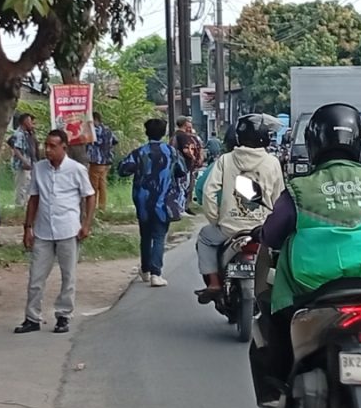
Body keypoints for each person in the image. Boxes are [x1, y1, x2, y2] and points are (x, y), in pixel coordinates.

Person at [251, 99, 361, 407]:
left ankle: (279, 390)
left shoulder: (299, 189)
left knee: (273, 320)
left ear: (314, 144)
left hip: (313, 284)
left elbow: (271, 236)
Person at [193, 113, 285, 304]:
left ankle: (214, 283)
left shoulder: (225, 160)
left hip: (229, 228)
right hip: (261, 229)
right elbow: (279, 197)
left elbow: (209, 191)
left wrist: (215, 219)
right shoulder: (273, 162)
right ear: (265, 137)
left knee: (205, 237)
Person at [17, 127, 94, 334]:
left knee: (68, 276)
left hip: (68, 229)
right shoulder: (39, 168)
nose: (48, 150)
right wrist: (27, 227)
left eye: (52, 146)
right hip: (43, 230)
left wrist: (86, 224)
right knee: (36, 277)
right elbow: (34, 198)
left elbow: (89, 196)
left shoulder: (76, 169)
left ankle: (63, 315)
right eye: (46, 146)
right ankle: (32, 317)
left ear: (64, 147)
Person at [116, 116, 186, 284]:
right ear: (163, 133)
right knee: (159, 235)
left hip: (143, 200)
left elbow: (122, 170)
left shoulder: (139, 152)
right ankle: (156, 273)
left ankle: (145, 269)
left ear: (146, 132)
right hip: (163, 200)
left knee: (145, 235)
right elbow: (182, 171)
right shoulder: (172, 152)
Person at [8, 110, 42, 206]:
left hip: (30, 163)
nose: (32, 124)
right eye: (30, 121)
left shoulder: (28, 134)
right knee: (22, 185)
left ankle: (25, 204)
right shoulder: (19, 134)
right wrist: (24, 161)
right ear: (25, 122)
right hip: (22, 165)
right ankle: (20, 205)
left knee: (28, 184)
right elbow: (16, 149)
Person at [87, 113, 117, 217]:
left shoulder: (94, 130)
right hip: (107, 161)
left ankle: (92, 209)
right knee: (102, 185)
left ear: (95, 119)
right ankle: (102, 208)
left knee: (93, 186)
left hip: (96, 161)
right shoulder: (108, 130)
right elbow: (115, 140)